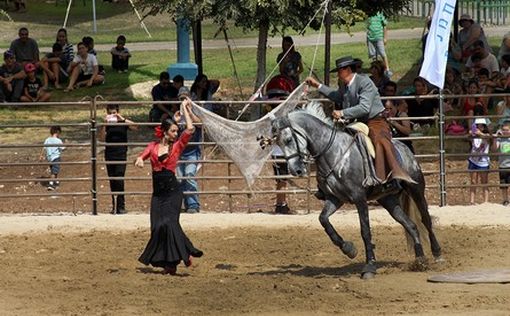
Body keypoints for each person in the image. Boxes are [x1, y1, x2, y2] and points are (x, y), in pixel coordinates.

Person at [306, 56, 415, 194]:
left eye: (340, 70)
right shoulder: (345, 85)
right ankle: (332, 183)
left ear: (348, 70)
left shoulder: (364, 82)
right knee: (335, 142)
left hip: (375, 120)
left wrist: (342, 112)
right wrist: (317, 85)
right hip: (356, 122)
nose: (338, 74)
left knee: (379, 140)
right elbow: (337, 96)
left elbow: (364, 107)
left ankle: (389, 179)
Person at [135, 98, 203, 275]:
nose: (176, 133)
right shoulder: (153, 146)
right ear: (164, 132)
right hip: (158, 194)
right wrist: (140, 160)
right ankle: (170, 264)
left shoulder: (177, 147)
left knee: (169, 223)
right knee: (158, 226)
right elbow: (142, 156)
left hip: (173, 192)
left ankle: (184, 254)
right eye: (173, 131)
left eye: (176, 131)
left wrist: (186, 110)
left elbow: (190, 129)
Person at [99, 104, 137, 214]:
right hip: (109, 154)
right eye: (110, 113)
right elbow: (101, 138)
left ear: (118, 111)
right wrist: (104, 125)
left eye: (114, 113)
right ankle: (114, 206)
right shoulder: (107, 124)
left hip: (121, 154)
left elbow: (136, 127)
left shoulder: (123, 122)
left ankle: (121, 205)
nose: (112, 115)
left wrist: (122, 119)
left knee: (119, 178)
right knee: (112, 180)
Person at [174, 87, 202, 214]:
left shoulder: (195, 112)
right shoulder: (177, 115)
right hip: (179, 151)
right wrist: (175, 121)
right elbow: (171, 133)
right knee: (179, 178)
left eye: (185, 98)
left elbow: (199, 123)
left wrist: (189, 111)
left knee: (189, 175)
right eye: (181, 99)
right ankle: (181, 203)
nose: (183, 101)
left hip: (192, 151)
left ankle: (193, 204)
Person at [468, 116, 491, 205]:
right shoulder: (473, 135)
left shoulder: (486, 135)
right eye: (477, 126)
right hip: (473, 160)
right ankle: (472, 201)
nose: (479, 127)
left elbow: (488, 137)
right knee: (473, 181)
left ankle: (486, 201)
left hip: (483, 162)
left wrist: (479, 133)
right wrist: (472, 133)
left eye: (481, 126)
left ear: (484, 127)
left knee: (484, 181)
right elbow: (468, 136)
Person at [366, 11, 392, 78]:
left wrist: (385, 38)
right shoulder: (369, 15)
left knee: (382, 53)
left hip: (379, 37)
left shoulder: (380, 14)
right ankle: (375, 69)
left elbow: (385, 26)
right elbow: (368, 27)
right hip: (370, 38)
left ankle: (387, 69)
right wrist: (367, 38)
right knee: (373, 55)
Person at [39, 126, 64, 191]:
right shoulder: (58, 140)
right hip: (56, 157)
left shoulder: (47, 139)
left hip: (49, 158)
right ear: (58, 132)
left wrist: (41, 155)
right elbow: (63, 148)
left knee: (53, 170)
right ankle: (51, 184)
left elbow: (44, 148)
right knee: (54, 171)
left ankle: (55, 181)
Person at [493, 121, 510, 206]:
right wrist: (495, 137)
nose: (505, 131)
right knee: (503, 185)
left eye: (507, 130)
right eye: (503, 130)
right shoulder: (500, 138)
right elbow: (495, 148)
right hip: (502, 165)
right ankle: (505, 200)